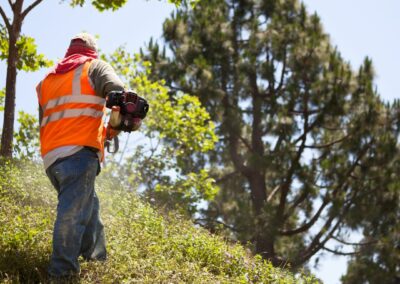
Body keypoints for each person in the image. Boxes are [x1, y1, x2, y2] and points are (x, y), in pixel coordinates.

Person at [36, 33, 124, 279]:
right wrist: (118, 123)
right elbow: (118, 94)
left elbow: (47, 121)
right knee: (72, 214)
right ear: (92, 51)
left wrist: (105, 131)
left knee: (88, 206)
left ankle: (96, 259)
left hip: (52, 158)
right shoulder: (95, 67)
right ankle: (62, 272)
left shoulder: (46, 80)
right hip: (79, 153)